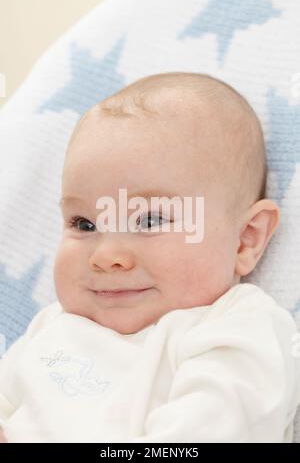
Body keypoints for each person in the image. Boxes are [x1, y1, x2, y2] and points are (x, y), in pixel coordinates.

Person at [0, 72, 299, 442]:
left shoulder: (237, 328)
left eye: (150, 219)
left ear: (245, 240)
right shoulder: (51, 327)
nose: (106, 256)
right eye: (85, 223)